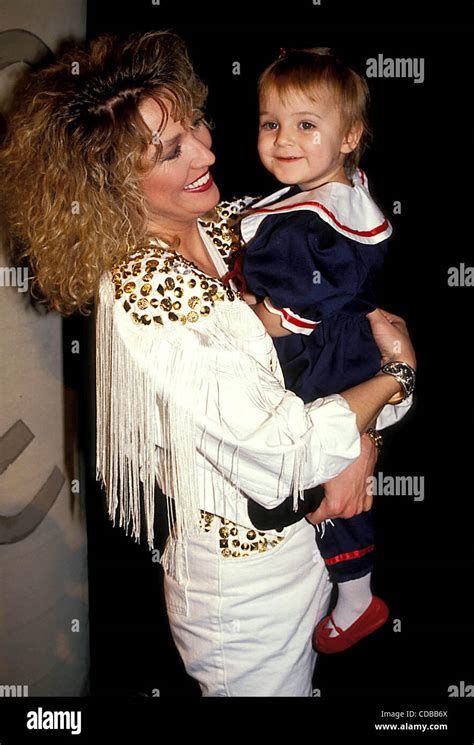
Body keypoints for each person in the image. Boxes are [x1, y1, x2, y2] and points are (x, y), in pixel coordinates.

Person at [0, 30, 416, 697]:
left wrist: (363, 432)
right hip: (244, 593)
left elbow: (345, 336)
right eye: (171, 149)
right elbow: (288, 452)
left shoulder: (231, 223)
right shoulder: (146, 297)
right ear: (112, 181)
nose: (207, 148)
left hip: (310, 546)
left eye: (194, 121)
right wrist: (396, 382)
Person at [222, 47, 405, 654]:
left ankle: (357, 597)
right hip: (345, 345)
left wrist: (252, 313)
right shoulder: (333, 190)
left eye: (306, 124)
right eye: (270, 123)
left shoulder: (308, 221)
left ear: (350, 135)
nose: (282, 139)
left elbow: (290, 313)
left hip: (323, 357)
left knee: (330, 471)